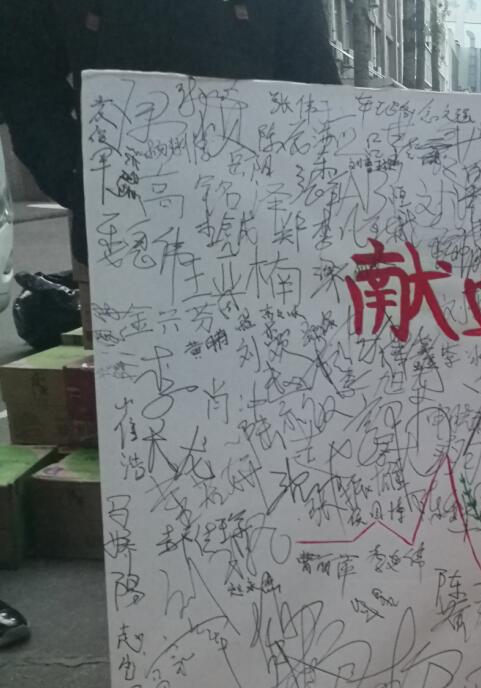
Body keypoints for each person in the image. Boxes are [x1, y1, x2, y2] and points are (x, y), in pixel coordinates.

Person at [0, 2, 340, 648]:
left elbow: (317, 85)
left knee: (272, 443)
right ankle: (174, 652)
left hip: (265, 245)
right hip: (127, 242)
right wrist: (84, 179)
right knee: (154, 456)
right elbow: (22, 72)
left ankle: (275, 626)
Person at [0, 0, 342, 266]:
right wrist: (81, 182)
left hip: (266, 238)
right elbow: (26, 82)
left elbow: (319, 100)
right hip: (122, 244)